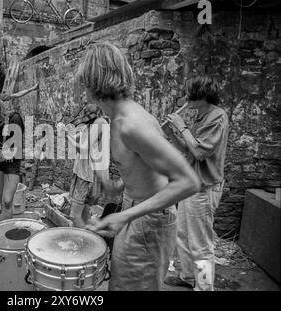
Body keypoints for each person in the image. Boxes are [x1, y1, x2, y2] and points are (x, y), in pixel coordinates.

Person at [80, 42, 201, 291]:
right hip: (136, 213)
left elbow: (188, 181)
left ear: (95, 80)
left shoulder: (131, 123)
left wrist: (125, 215)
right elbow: (147, 164)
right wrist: (118, 185)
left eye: (84, 80)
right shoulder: (118, 118)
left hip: (148, 220)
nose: (82, 88)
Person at [163, 75, 230, 291]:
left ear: (202, 95)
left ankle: (204, 287)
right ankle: (188, 277)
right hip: (191, 185)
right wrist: (171, 133)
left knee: (201, 244)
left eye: (190, 94)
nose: (186, 99)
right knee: (181, 235)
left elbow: (200, 152)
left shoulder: (217, 117)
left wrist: (181, 126)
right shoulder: (200, 115)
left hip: (204, 187)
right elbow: (188, 149)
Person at [66, 95, 109, 228]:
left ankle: (87, 244)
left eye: (87, 103)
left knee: (74, 215)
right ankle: (91, 241)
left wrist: (68, 136)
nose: (84, 106)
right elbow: (78, 137)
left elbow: (84, 149)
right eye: (83, 104)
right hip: (83, 172)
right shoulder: (91, 122)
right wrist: (68, 132)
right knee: (84, 213)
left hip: (88, 175)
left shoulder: (100, 122)